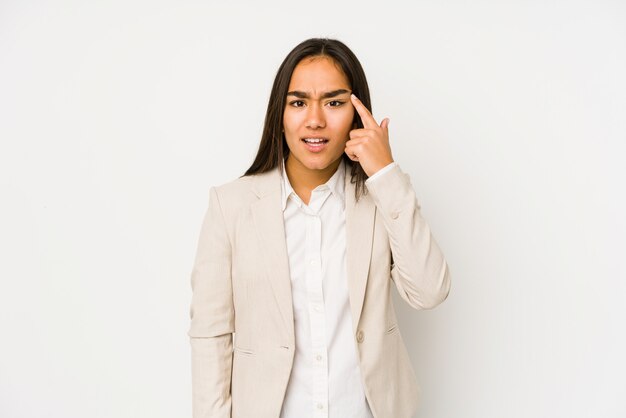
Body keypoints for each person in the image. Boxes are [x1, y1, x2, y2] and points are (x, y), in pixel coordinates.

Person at [188, 37, 451, 418]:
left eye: (334, 102)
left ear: (358, 114)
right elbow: (210, 337)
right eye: (298, 103)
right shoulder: (231, 206)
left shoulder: (382, 198)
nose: (315, 119)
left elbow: (429, 291)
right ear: (280, 113)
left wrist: (386, 174)